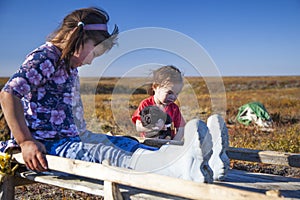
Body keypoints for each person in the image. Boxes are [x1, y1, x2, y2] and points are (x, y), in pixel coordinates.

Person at [0, 7, 228, 183]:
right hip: (48, 146)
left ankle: (199, 159)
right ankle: (178, 169)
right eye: (93, 52)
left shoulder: (68, 65)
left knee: (122, 143)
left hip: (74, 139)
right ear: (75, 36)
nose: (90, 60)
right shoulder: (46, 57)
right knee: (104, 152)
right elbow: (9, 94)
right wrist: (26, 141)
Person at [131, 65, 186, 140]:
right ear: (155, 87)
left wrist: (174, 143)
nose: (173, 97)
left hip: (167, 144)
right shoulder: (146, 104)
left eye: (176, 93)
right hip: (148, 143)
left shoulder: (174, 108)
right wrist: (153, 128)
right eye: (169, 93)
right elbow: (138, 126)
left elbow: (181, 128)